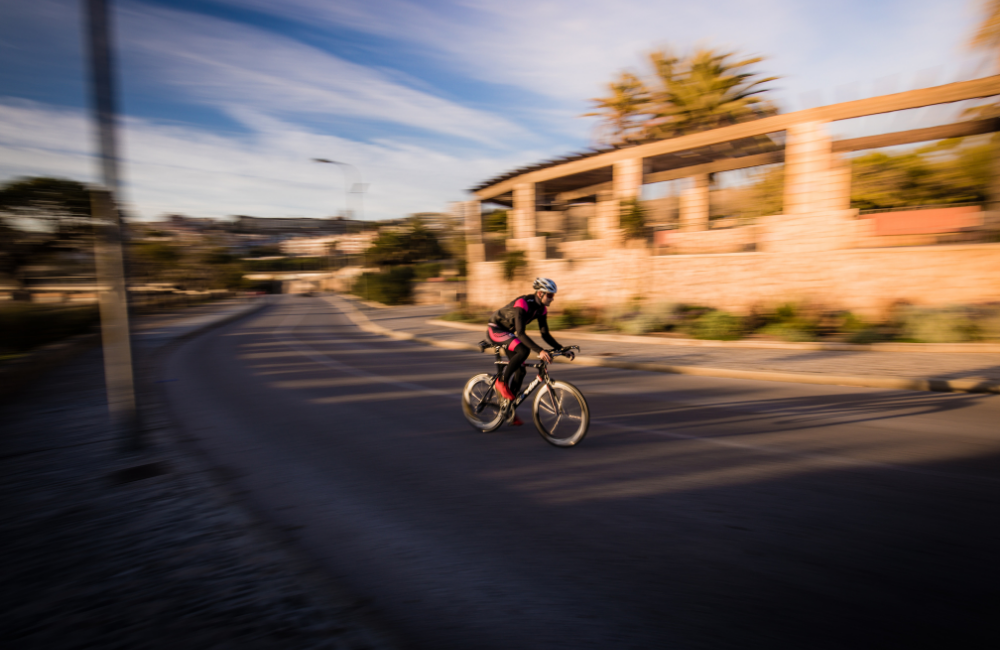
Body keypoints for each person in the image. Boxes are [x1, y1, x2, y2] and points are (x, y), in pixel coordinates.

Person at [486, 277, 574, 425]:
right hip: (496, 329)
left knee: (521, 370)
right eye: (550, 295)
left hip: (509, 334)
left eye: (553, 295)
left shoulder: (542, 310)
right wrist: (539, 351)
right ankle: (501, 382)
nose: (552, 299)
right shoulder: (523, 304)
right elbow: (520, 333)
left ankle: (508, 408)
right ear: (540, 294)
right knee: (523, 351)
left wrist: (562, 349)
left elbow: (545, 334)